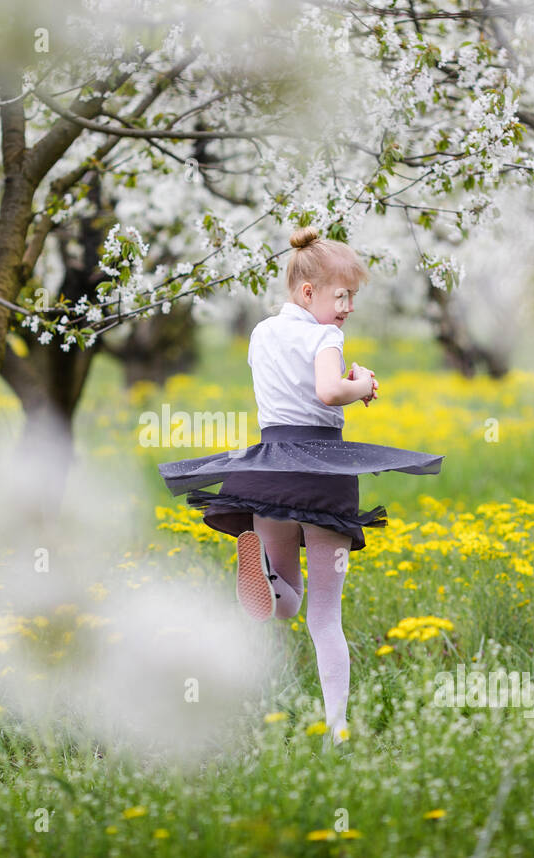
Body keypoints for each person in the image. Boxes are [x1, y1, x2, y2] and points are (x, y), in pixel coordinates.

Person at [157, 226, 444, 747]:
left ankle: (264, 574)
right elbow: (329, 391)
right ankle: (336, 728)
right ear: (308, 292)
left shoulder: (261, 333)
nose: (349, 307)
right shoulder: (325, 337)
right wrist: (364, 385)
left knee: (283, 602)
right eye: (342, 295)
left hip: (269, 473)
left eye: (353, 297)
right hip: (322, 474)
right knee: (324, 618)